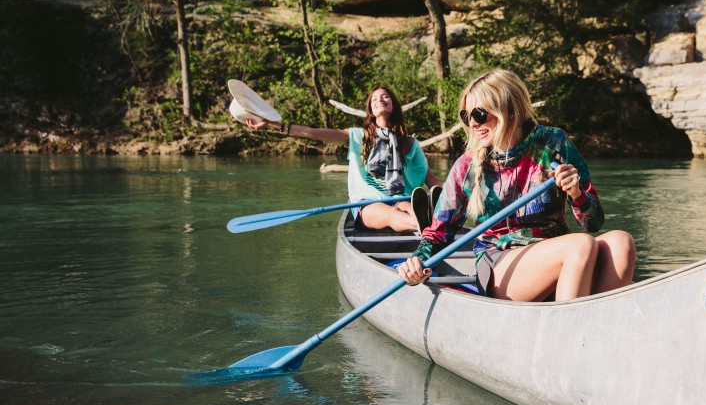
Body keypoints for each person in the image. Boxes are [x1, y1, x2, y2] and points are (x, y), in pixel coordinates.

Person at [397, 69, 636, 301]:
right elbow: (438, 234)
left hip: (561, 251)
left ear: (509, 110)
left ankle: (592, 328)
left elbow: (594, 223)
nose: (472, 123)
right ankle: (567, 332)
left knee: (621, 242)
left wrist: (577, 193)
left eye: (479, 114)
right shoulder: (466, 165)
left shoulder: (553, 143)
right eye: (466, 116)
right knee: (579, 245)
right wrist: (418, 261)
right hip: (500, 260)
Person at [245, 86, 443, 233]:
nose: (379, 99)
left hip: (401, 199)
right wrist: (274, 125)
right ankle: (425, 226)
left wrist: (465, 187)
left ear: (393, 105)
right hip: (369, 205)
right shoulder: (358, 137)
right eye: (374, 98)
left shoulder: (410, 143)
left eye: (385, 96)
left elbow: (432, 182)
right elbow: (314, 133)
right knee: (393, 214)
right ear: (371, 112)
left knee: (407, 207)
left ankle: (427, 221)